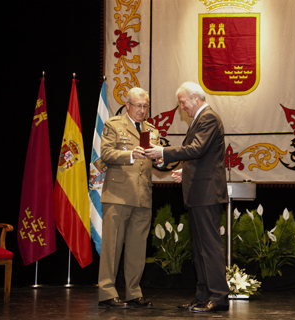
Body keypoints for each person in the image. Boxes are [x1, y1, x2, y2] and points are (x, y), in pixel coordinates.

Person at [145, 81, 229, 313]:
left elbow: (197, 149)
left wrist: (162, 151)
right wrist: (186, 170)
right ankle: (203, 296)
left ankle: (219, 297)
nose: (182, 107)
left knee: (209, 247)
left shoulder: (208, 117)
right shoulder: (200, 119)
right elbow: (203, 156)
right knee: (199, 247)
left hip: (206, 193)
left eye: (183, 102)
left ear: (195, 98)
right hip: (199, 191)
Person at [98, 87, 161, 309]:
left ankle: (134, 292)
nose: (142, 110)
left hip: (143, 196)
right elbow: (105, 154)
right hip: (118, 195)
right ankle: (107, 292)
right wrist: (129, 155)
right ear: (128, 106)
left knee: (137, 249)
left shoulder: (152, 131)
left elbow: (156, 157)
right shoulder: (113, 125)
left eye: (145, 106)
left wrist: (160, 160)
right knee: (112, 247)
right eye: (138, 106)